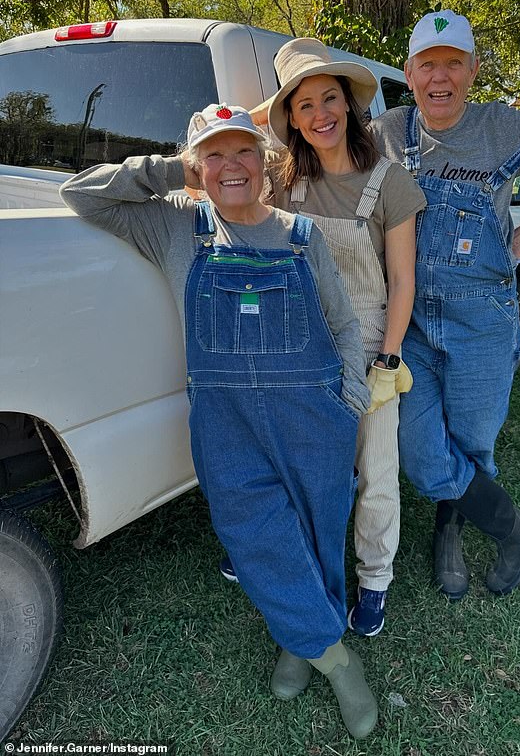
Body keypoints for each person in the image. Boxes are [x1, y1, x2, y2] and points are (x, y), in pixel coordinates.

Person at [60, 105, 378, 739]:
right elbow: (81, 195)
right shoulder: (176, 225)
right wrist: (171, 170)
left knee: (319, 529)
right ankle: (339, 661)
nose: (230, 166)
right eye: (214, 154)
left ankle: (298, 644)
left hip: (314, 410)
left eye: (243, 152)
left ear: (267, 163)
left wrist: (349, 393)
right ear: (196, 164)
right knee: (254, 531)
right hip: (224, 419)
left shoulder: (300, 234)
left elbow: (343, 323)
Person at [369, 10, 520, 600]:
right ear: (409, 72)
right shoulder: (387, 132)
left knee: (474, 443)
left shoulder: (503, 126)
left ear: (473, 70)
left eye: (453, 63)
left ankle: (449, 529)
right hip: (412, 322)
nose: (440, 77)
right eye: (428, 64)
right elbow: (303, 135)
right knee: (421, 451)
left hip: (485, 320)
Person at [258, 37, 426, 637]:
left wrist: (388, 357)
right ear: (291, 121)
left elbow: (402, 281)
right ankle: (304, 562)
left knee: (376, 467)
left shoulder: (391, 182)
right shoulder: (283, 181)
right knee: (306, 461)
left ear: (350, 105)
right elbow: (219, 154)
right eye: (302, 106)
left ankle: (374, 581)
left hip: (368, 342)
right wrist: (269, 113)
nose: (320, 114)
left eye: (329, 98)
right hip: (300, 341)